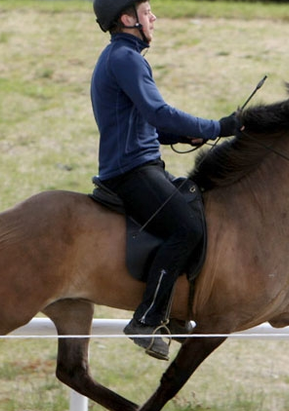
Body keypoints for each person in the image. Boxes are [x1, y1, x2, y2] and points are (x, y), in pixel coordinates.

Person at [91, 0, 239, 360]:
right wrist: (218, 127)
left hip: (139, 164)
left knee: (194, 213)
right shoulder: (126, 59)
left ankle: (171, 314)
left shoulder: (122, 57)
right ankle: (147, 319)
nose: (153, 18)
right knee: (187, 229)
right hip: (131, 172)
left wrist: (180, 137)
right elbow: (159, 112)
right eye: (147, 12)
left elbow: (143, 125)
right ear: (127, 19)